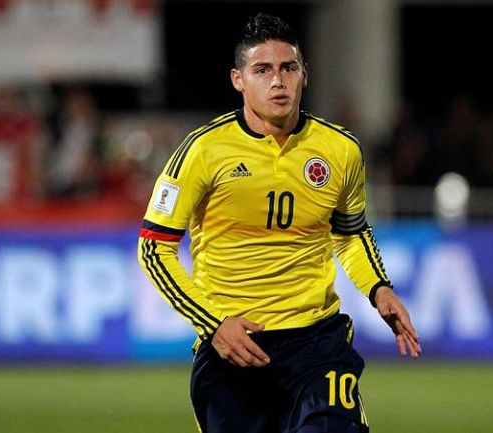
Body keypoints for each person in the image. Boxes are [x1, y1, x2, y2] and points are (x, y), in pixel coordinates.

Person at [137, 13, 421, 433]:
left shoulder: (340, 150)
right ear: (238, 80)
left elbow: (350, 232)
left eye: (288, 68)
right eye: (262, 70)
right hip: (233, 348)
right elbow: (153, 249)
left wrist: (379, 288)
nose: (277, 81)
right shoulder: (202, 151)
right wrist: (213, 325)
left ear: (304, 75)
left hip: (316, 344)